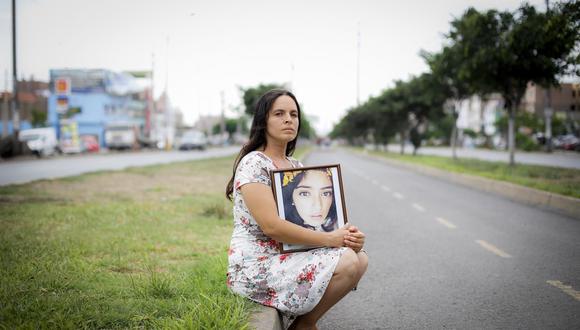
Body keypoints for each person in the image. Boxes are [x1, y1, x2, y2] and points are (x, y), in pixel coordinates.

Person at [225, 89, 368, 330]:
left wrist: (347, 237)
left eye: (293, 114)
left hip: (287, 254)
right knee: (345, 261)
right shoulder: (254, 163)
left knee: (359, 258)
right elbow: (272, 227)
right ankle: (305, 324)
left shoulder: (295, 166)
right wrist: (330, 239)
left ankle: (303, 322)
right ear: (263, 121)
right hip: (256, 264)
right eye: (279, 114)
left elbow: (306, 224)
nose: (288, 119)